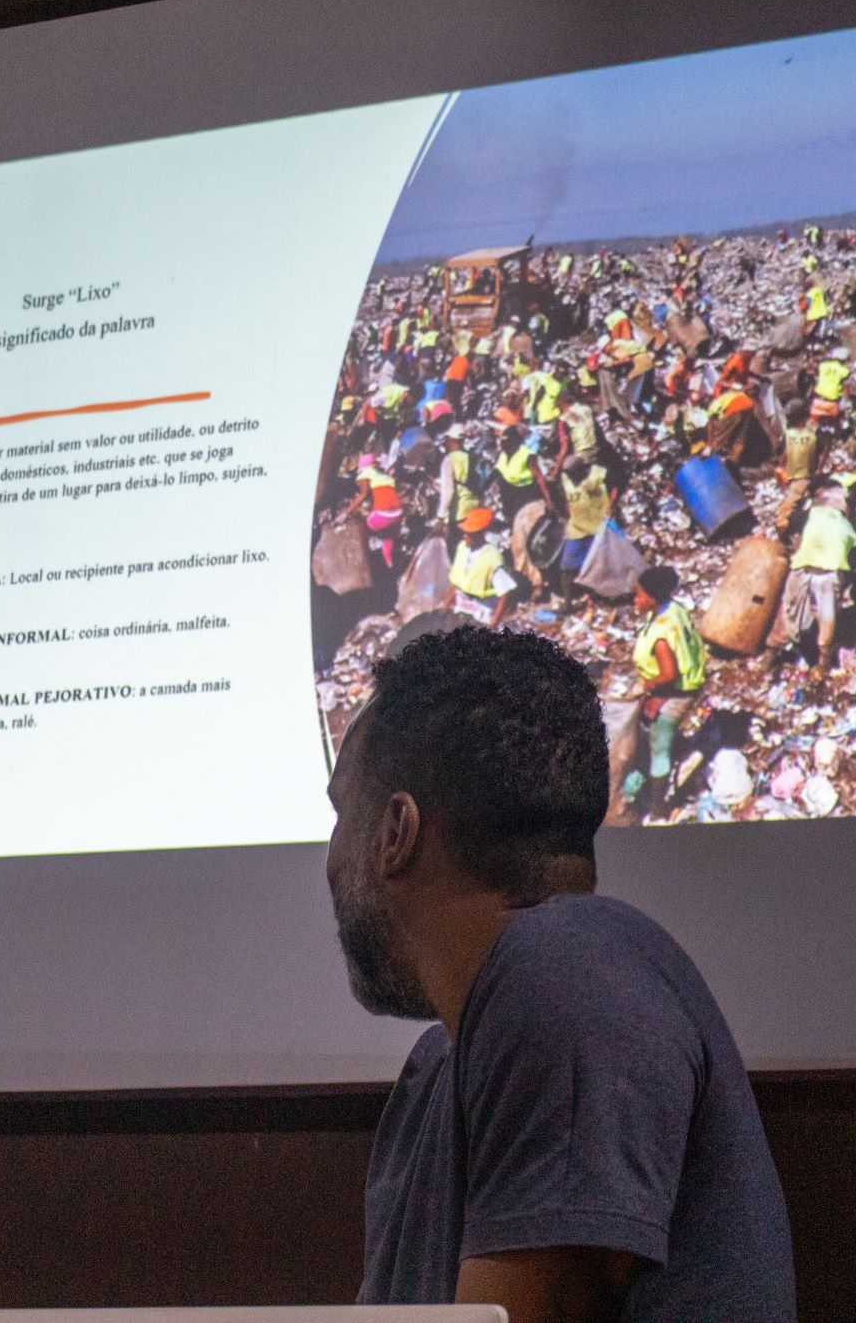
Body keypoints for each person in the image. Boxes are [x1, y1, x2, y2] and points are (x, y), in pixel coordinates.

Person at [333, 628, 795, 1321]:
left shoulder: (565, 973)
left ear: (395, 834)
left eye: (341, 813)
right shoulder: (438, 1067)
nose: (331, 855)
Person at [630, 566, 707, 821]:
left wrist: (651, 690)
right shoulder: (673, 609)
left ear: (652, 597)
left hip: (678, 690)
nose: (635, 600)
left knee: (658, 744)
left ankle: (657, 808)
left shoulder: (661, 635)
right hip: (681, 684)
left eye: (639, 595)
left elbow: (669, 674)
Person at [765, 476, 856, 673]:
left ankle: (770, 656)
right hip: (830, 574)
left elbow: (788, 532)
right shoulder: (848, 528)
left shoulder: (807, 515)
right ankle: (823, 665)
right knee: (827, 619)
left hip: (803, 568)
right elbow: (854, 562)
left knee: (790, 614)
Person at [556, 456, 615, 604]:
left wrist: (610, 506)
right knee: (567, 568)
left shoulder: (597, 475)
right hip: (576, 530)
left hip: (598, 529)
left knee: (600, 565)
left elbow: (614, 486)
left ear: (582, 469)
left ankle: (602, 597)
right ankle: (568, 603)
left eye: (573, 473)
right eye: (568, 473)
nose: (570, 476)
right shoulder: (566, 480)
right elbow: (563, 497)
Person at [446, 508, 516, 625]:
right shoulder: (462, 548)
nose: (465, 536)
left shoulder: (492, 557)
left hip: (480, 611)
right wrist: (445, 605)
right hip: (461, 607)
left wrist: (493, 622)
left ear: (480, 533)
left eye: (469, 534)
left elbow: (505, 593)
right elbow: (457, 582)